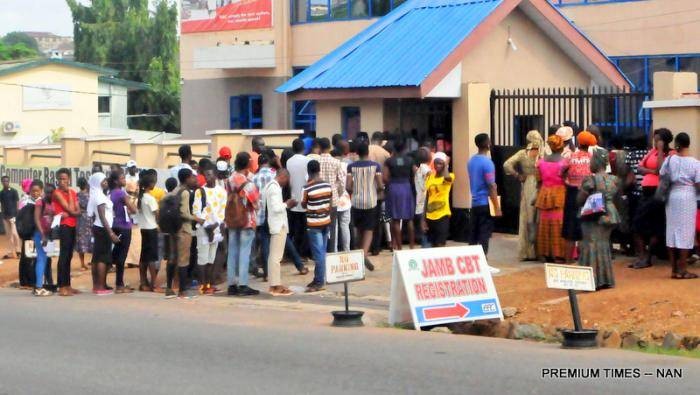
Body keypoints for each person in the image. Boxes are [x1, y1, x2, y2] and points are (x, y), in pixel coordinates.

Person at [631, 128, 674, 269]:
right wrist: (651, 171)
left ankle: (648, 257)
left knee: (656, 226)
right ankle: (642, 256)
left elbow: (661, 170)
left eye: (658, 140)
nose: (655, 142)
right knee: (637, 224)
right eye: (654, 140)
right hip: (646, 191)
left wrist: (661, 151)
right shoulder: (651, 152)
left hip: (658, 192)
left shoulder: (671, 154)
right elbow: (640, 167)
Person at [577, 148, 619, 290]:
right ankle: (605, 278)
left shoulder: (590, 180)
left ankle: (590, 280)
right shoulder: (613, 179)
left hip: (594, 215)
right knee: (603, 246)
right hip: (610, 213)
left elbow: (580, 199)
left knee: (590, 245)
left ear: (595, 162)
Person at [660, 132, 699, 279]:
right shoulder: (695, 163)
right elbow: (699, 183)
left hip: (672, 196)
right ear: (688, 144)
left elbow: (662, 174)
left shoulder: (670, 159)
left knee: (672, 231)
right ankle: (683, 269)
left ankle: (674, 270)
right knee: (686, 233)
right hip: (688, 197)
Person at [503, 130, 543, 261]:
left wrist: (517, 175)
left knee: (527, 216)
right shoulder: (542, 153)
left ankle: (527, 251)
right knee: (539, 217)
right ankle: (539, 251)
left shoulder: (522, 153)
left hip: (528, 185)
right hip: (541, 184)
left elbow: (507, 164)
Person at [226, 152, 260, 297]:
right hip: (246, 220)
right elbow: (256, 204)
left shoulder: (229, 180)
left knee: (232, 251)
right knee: (244, 252)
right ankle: (243, 284)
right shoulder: (248, 183)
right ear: (247, 164)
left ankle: (231, 284)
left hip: (232, 219)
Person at [347, 143, 383, 270]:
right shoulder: (376, 166)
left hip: (356, 202)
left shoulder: (351, 167)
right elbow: (379, 185)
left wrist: (354, 191)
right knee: (369, 230)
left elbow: (348, 186)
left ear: (357, 152)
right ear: (368, 152)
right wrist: (377, 191)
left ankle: (360, 253)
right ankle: (364, 254)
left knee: (359, 228)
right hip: (371, 202)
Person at [192, 166, 227, 294]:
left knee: (211, 258)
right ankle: (202, 285)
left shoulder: (222, 191)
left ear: (216, 175)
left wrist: (218, 224)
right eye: (206, 175)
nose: (208, 177)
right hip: (204, 229)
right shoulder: (200, 192)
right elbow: (196, 212)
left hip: (216, 228)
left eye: (210, 175)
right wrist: (207, 226)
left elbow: (222, 210)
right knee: (203, 258)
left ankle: (209, 284)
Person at [562, 131, 595, 262]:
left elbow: (561, 171)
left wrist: (567, 180)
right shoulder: (592, 158)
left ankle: (568, 260)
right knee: (587, 227)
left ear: (579, 143)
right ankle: (585, 260)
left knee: (570, 229)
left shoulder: (570, 157)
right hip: (588, 194)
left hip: (572, 193)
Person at [467, 134, 502, 256]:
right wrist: (497, 207)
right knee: (484, 235)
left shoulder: (471, 161)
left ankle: (471, 259)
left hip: (474, 203)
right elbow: (491, 186)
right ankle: (483, 260)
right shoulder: (488, 163)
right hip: (485, 203)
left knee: (473, 234)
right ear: (487, 144)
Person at [535, 135, 568, 262]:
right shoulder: (564, 162)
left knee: (544, 224)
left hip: (544, 195)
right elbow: (566, 180)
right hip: (560, 195)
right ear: (562, 146)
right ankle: (559, 254)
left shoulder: (541, 162)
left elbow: (538, 181)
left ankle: (545, 253)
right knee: (559, 224)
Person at [264, 169, 296, 296]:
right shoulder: (274, 188)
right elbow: (275, 208)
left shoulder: (273, 187)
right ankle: (275, 285)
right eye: (286, 180)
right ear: (282, 177)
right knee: (275, 257)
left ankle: (275, 283)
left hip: (279, 223)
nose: (286, 183)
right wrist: (287, 204)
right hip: (277, 224)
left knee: (275, 256)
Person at [302, 160, 332, 292]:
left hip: (313, 224)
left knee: (318, 253)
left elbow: (303, 204)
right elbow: (330, 202)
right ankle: (318, 278)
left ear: (308, 171)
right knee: (322, 251)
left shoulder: (307, 188)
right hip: (326, 221)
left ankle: (319, 281)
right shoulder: (327, 185)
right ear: (319, 170)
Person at [174, 169, 204, 299]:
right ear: (186, 178)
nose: (194, 180)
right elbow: (184, 213)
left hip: (174, 228)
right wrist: (196, 219)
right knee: (184, 260)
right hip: (184, 229)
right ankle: (182, 290)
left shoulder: (176, 190)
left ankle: (175, 286)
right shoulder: (185, 192)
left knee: (177, 258)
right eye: (192, 177)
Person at [88, 172, 119, 296]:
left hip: (99, 228)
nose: (106, 182)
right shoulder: (100, 196)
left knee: (96, 258)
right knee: (103, 258)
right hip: (103, 228)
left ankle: (96, 285)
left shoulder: (97, 194)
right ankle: (100, 287)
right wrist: (110, 233)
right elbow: (102, 216)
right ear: (97, 182)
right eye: (103, 181)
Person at [383, 137, 416, 250]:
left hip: (394, 188)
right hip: (406, 187)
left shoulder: (389, 161)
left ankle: (399, 247)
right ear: (405, 147)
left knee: (396, 219)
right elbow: (414, 175)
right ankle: (412, 246)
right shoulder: (410, 160)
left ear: (394, 148)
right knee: (409, 218)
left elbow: (385, 178)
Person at [52, 168, 80, 296]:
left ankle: (68, 285)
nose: (62, 181)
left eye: (64, 179)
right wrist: (72, 210)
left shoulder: (73, 192)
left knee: (69, 255)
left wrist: (72, 211)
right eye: (60, 179)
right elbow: (69, 208)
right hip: (63, 226)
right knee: (63, 256)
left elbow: (77, 211)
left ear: (69, 179)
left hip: (72, 225)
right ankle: (61, 286)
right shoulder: (57, 193)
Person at [109, 170, 137, 293]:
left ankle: (115, 281)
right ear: (116, 181)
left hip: (115, 224)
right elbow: (133, 209)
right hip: (124, 226)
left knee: (116, 254)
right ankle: (119, 284)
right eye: (122, 178)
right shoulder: (121, 194)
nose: (124, 180)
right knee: (122, 256)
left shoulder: (111, 193)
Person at [317, 137, 345, 253]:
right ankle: (331, 252)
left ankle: (320, 251)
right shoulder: (336, 162)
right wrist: (337, 193)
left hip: (318, 198)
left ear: (319, 148)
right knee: (332, 228)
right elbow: (342, 182)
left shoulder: (315, 162)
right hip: (332, 199)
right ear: (329, 147)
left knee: (319, 227)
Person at [252, 151, 276, 279]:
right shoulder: (274, 175)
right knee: (268, 243)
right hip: (271, 212)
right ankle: (268, 271)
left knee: (258, 243)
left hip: (258, 213)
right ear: (268, 163)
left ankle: (259, 268)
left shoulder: (254, 177)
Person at [136, 172, 161, 292]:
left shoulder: (140, 198)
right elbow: (157, 214)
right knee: (152, 258)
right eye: (153, 182)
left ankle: (143, 282)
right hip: (151, 228)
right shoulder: (150, 199)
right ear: (150, 184)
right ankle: (154, 284)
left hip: (143, 228)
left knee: (144, 257)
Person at [423, 153, 454, 247]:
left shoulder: (450, 176)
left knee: (440, 244)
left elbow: (447, 178)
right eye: (436, 163)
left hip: (442, 215)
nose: (437, 166)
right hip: (430, 216)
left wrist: (446, 164)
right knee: (432, 245)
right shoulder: (430, 177)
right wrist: (423, 219)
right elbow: (427, 197)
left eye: (440, 163)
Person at [287, 138, 310, 259]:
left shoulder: (288, 162)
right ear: (304, 148)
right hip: (306, 200)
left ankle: (295, 252)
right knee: (306, 229)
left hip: (293, 200)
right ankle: (303, 253)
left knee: (296, 229)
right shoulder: (308, 161)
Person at [32, 181, 55, 296]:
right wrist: (43, 234)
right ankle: (38, 287)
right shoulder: (40, 202)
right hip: (40, 234)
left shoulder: (53, 203)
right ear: (44, 192)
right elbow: (36, 219)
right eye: (47, 192)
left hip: (48, 235)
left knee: (44, 259)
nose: (49, 194)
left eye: (52, 192)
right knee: (41, 259)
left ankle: (39, 285)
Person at [332, 147, 352, 252]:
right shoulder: (346, 166)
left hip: (333, 200)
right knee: (345, 226)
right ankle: (347, 250)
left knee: (334, 228)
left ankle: (334, 251)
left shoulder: (331, 166)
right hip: (345, 200)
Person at [413, 147, 432, 248]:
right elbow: (430, 176)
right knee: (425, 229)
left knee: (422, 228)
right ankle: (426, 248)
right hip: (425, 201)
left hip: (419, 201)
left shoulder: (419, 168)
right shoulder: (425, 168)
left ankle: (424, 246)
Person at [0, 175, 20, 259]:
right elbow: (1, 204)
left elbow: (17, 203)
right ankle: (11, 252)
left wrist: (16, 213)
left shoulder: (13, 191)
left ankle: (18, 250)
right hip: (5, 216)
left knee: (14, 233)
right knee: (9, 235)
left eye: (6, 181)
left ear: (9, 181)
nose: (5, 182)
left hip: (13, 215)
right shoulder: (1, 193)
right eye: (3, 181)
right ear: (1, 182)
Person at [75, 177, 91, 271]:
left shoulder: (76, 195)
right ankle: (94, 261)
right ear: (86, 185)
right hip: (89, 219)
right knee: (91, 239)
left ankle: (82, 263)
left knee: (81, 240)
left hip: (80, 219)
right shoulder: (90, 196)